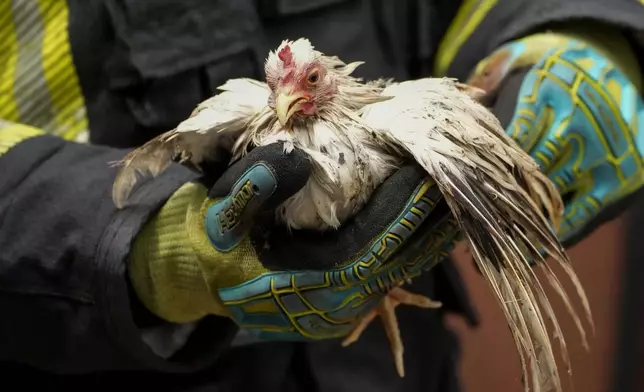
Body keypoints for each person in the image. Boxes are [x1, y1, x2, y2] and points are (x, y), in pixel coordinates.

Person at [1, 1, 643, 391]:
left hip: (387, 373)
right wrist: (135, 244)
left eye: (304, 84)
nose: (287, 102)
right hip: (95, 352)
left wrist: (579, 28)